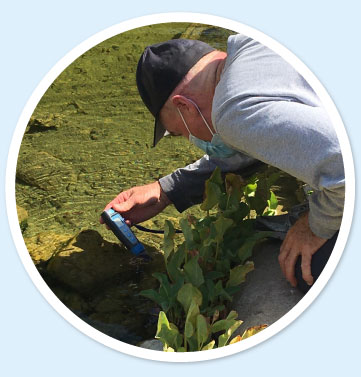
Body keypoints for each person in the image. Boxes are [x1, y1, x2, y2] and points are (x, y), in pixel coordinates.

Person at [100, 35, 344, 293]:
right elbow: (261, 143)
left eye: (180, 132)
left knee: (307, 267)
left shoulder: (232, 112)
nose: (190, 139)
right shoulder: (255, 43)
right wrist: (166, 191)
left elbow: (344, 166)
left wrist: (314, 226)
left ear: (184, 106)